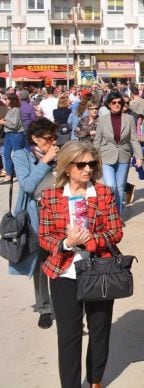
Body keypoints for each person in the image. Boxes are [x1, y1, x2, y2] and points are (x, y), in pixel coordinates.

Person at [38, 141, 123, 388]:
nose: (88, 169)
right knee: (69, 335)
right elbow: (44, 236)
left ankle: (95, 380)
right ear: (66, 167)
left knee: (99, 330)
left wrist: (91, 242)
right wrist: (67, 242)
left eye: (92, 164)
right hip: (63, 271)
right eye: (81, 164)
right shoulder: (50, 196)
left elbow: (115, 232)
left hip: (99, 270)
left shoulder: (104, 193)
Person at [10, 118, 59, 329]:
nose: (53, 142)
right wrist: (46, 161)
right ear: (35, 138)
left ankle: (66, 301)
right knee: (40, 264)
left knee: (62, 258)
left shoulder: (60, 153)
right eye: (49, 138)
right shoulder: (20, 156)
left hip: (60, 212)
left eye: (54, 137)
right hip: (36, 214)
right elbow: (28, 185)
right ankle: (44, 307)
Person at [93, 92, 143, 216]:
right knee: (111, 187)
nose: (117, 105)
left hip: (124, 156)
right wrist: (93, 158)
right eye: (114, 102)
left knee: (120, 187)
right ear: (109, 104)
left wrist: (139, 156)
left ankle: (118, 217)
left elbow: (133, 139)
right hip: (106, 155)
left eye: (119, 102)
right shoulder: (102, 120)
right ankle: (111, 215)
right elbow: (97, 139)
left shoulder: (129, 119)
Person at [2, 93, 26, 184]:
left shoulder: (15, 110)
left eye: (7, 99)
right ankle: (9, 174)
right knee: (6, 154)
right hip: (8, 134)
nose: (6, 101)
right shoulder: (11, 109)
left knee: (18, 154)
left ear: (12, 100)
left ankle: (22, 173)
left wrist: (3, 122)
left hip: (15, 134)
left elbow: (14, 124)